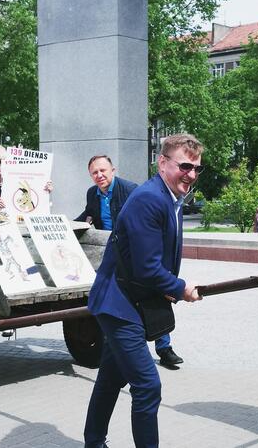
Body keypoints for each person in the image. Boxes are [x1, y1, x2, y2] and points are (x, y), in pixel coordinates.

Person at [84, 134, 204, 448]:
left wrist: (170, 286)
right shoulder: (150, 198)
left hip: (131, 299)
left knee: (111, 378)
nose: (190, 174)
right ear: (163, 163)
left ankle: (93, 442)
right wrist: (180, 288)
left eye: (196, 169)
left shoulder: (171, 198)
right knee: (148, 386)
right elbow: (147, 268)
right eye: (185, 166)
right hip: (118, 303)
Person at [75, 155, 185, 369]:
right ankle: (121, 346)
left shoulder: (131, 190)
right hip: (110, 255)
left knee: (155, 298)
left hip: (135, 253)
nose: (99, 175)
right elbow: (87, 215)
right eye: (94, 173)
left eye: (103, 171)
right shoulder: (92, 194)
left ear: (113, 170)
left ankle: (164, 347)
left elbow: (145, 224)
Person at [0, 144, 52, 212]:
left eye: (0, 162)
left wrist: (45, 189)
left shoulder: (17, 180)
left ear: (7, 162)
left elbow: (33, 194)